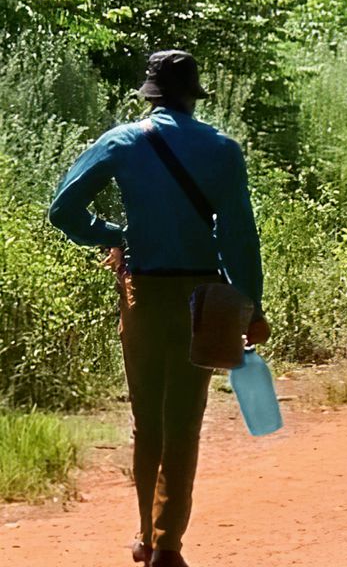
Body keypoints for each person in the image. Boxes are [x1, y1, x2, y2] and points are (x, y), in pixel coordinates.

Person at [49, 51, 268, 567]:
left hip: (142, 296)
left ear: (150, 95)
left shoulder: (121, 141)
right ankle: (168, 546)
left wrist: (116, 235)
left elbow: (63, 210)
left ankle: (146, 537)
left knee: (147, 423)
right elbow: (239, 238)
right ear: (193, 95)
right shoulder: (222, 150)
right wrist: (252, 306)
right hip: (203, 300)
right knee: (183, 423)